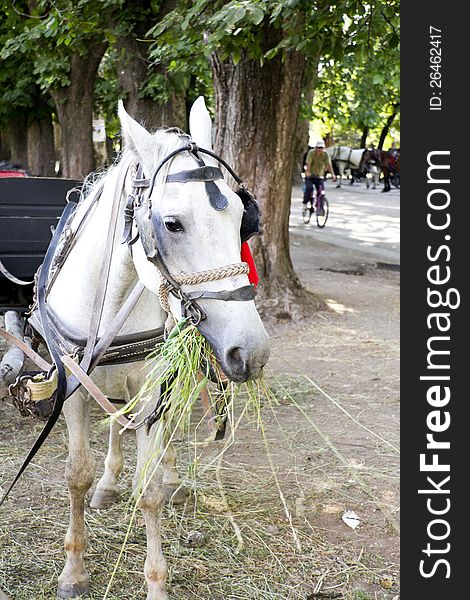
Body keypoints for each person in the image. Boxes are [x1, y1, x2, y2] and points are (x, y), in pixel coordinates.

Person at [303, 140, 336, 215]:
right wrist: (307, 172)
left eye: (321, 148)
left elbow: (329, 164)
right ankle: (306, 203)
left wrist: (332, 174)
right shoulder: (311, 153)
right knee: (309, 188)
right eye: (318, 148)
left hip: (319, 176)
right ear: (315, 148)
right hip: (310, 176)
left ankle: (320, 208)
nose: (319, 150)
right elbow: (308, 162)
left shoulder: (325, 154)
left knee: (321, 192)